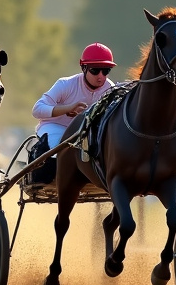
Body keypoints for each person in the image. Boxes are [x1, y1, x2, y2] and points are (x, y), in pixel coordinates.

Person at [26, 43, 116, 183]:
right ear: (83, 68)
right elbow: (37, 110)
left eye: (106, 71)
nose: (101, 76)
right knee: (60, 153)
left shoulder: (110, 88)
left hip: (85, 131)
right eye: (95, 70)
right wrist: (68, 108)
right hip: (56, 127)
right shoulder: (65, 84)